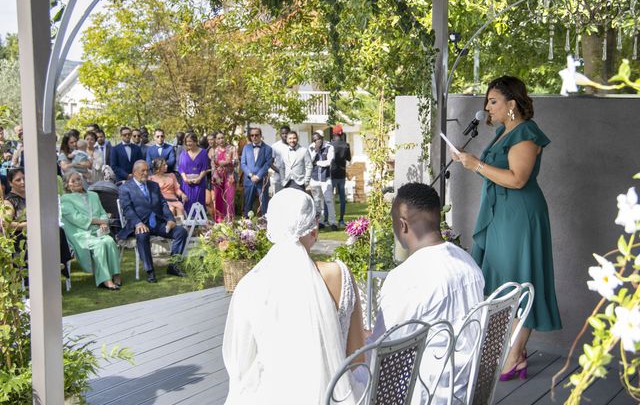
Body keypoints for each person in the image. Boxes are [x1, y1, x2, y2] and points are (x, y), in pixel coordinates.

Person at [451, 75, 562, 379]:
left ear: (511, 104)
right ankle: (518, 351)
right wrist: (468, 161)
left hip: (519, 216)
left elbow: (517, 179)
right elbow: (496, 173)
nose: (487, 106)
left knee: (521, 278)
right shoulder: (503, 131)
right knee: (502, 277)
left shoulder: (525, 132)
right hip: (500, 214)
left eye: (493, 101)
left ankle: (512, 357)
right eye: (487, 101)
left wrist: (477, 165)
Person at [223, 188, 364, 404]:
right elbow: (357, 360)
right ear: (314, 230)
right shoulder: (339, 274)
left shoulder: (249, 286)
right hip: (335, 396)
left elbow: (240, 365)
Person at [370, 182, 484, 404]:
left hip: (423, 393)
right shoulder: (468, 262)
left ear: (403, 225)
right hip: (463, 386)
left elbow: (386, 351)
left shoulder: (405, 278)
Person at [118, 160, 188, 283]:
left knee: (181, 232)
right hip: (139, 224)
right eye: (142, 171)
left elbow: (163, 204)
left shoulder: (153, 185)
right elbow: (127, 209)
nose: (146, 173)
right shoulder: (125, 188)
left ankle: (173, 266)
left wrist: (171, 219)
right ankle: (150, 271)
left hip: (157, 223)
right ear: (134, 172)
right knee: (142, 235)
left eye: (147, 170)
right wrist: (138, 223)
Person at [3, 168, 72, 274]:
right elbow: (7, 224)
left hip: (40, 229)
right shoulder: (9, 201)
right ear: (10, 183)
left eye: (24, 178)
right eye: (18, 180)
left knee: (58, 230)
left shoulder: (33, 196)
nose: (23, 182)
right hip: (20, 235)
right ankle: (45, 265)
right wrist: (27, 225)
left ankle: (53, 262)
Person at [60, 171, 122, 290]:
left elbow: (103, 213)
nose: (78, 182)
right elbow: (78, 219)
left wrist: (103, 222)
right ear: (67, 185)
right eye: (73, 181)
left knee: (109, 241)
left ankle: (116, 274)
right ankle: (106, 280)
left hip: (98, 230)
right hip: (80, 233)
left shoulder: (93, 195)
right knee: (99, 245)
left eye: (79, 179)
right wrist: (101, 222)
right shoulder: (65, 199)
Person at [240, 127, 272, 217]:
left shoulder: (268, 148)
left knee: (264, 204)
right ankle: (246, 225)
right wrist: (251, 175)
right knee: (247, 204)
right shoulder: (246, 148)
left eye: (256, 135)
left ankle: (265, 223)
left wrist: (258, 176)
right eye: (252, 135)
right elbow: (243, 163)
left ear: (260, 136)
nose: (254, 137)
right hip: (249, 180)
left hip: (262, 180)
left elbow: (268, 164)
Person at [309, 131, 337, 230]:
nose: (317, 141)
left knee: (329, 200)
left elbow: (329, 162)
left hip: (326, 178)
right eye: (315, 140)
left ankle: (333, 222)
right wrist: (315, 150)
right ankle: (319, 222)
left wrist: (317, 163)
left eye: (318, 139)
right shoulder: (311, 147)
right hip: (314, 178)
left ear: (322, 138)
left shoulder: (329, 147)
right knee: (317, 201)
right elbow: (309, 161)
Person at [177, 132, 209, 216]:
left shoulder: (203, 152)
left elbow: (204, 168)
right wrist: (185, 179)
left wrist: (199, 178)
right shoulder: (183, 153)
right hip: (186, 183)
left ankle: (199, 225)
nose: (188, 143)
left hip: (199, 182)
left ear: (195, 141)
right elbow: (181, 168)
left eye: (190, 141)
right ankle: (188, 224)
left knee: (198, 202)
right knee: (187, 203)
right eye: (187, 141)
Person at [209, 132, 236, 223]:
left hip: (229, 177)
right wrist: (216, 177)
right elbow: (213, 166)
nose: (221, 140)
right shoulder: (214, 151)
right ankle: (219, 221)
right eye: (218, 138)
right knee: (218, 198)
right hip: (218, 178)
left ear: (225, 138)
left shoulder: (232, 149)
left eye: (222, 138)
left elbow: (237, 162)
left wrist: (228, 162)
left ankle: (229, 221)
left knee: (229, 198)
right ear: (216, 140)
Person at [330, 125, 351, 227]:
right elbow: (349, 159)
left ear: (333, 134)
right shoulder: (346, 145)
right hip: (341, 173)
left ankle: (329, 219)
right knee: (342, 198)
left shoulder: (329, 145)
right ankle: (341, 219)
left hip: (331, 173)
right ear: (341, 134)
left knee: (330, 198)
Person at [270, 125, 291, 193]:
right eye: (283, 133)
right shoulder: (275, 146)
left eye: (286, 133)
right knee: (278, 200)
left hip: (291, 179)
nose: (285, 135)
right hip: (278, 179)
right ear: (280, 134)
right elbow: (270, 162)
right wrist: (279, 171)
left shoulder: (294, 145)